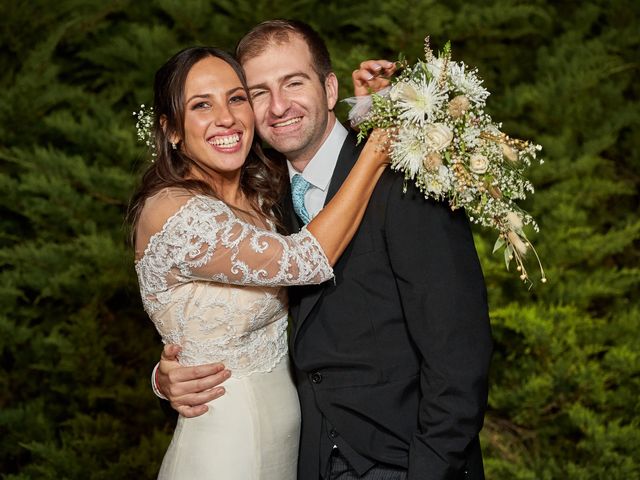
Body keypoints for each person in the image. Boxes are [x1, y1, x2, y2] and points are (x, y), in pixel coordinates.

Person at [155, 20, 493, 480]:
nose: (278, 107)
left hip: (404, 460)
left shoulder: (406, 179)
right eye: (257, 92)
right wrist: (166, 376)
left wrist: (430, 468)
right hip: (307, 458)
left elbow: (459, 348)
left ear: (330, 89)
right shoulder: (260, 201)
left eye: (294, 83)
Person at [128, 46, 389, 479]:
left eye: (236, 98)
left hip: (293, 443)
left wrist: (365, 112)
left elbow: (327, 180)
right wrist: (377, 149)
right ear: (172, 129)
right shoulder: (174, 211)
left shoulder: (263, 192)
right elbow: (308, 259)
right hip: (227, 447)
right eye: (200, 105)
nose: (226, 118)